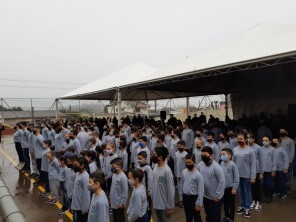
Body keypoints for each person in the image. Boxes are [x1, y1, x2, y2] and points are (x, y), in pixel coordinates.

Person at [197, 146, 225, 222]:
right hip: (205, 197)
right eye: (202, 155)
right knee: (208, 216)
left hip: (215, 199)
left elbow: (222, 182)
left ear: (211, 155)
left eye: (205, 155)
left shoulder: (217, 167)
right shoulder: (200, 165)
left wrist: (217, 196)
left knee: (215, 218)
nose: (203, 157)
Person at [233, 133, 256, 218]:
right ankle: (242, 206)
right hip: (238, 175)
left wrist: (253, 176)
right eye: (238, 139)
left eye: (241, 139)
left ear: (245, 139)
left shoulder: (250, 151)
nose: (239, 140)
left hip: (247, 176)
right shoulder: (234, 149)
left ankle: (247, 208)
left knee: (247, 191)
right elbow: (233, 164)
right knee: (240, 191)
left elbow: (253, 164)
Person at [151, 147, 175, 222]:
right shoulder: (155, 167)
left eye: (154, 154)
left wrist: (170, 207)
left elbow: (171, 190)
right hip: (156, 203)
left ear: (160, 157)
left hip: (164, 206)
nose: (152, 156)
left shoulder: (167, 171)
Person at [180, 154, 204, 222]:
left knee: (197, 217)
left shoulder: (198, 175)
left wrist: (199, 203)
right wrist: (181, 198)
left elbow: (201, 190)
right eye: (186, 163)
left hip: (194, 198)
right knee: (188, 216)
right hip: (186, 197)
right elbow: (182, 185)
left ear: (194, 162)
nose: (188, 164)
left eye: (190, 162)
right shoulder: (184, 172)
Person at [220, 148, 239, 222]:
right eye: (221, 154)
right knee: (225, 204)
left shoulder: (232, 165)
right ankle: (226, 216)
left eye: (224, 154)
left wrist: (234, 188)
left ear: (229, 156)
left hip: (230, 188)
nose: (222, 156)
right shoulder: (221, 163)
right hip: (223, 188)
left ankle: (231, 218)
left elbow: (236, 178)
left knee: (231, 204)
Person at [71, 157, 91, 222]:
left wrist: (85, 209)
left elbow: (86, 195)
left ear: (82, 166)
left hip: (81, 207)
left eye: (76, 165)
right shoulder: (77, 174)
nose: (74, 166)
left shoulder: (85, 177)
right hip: (77, 205)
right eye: (74, 164)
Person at [248, 134, 264, 211]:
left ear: (253, 139)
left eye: (249, 138)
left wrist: (261, 172)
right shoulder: (246, 147)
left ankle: (258, 202)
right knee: (251, 187)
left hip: (257, 170)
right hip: (249, 171)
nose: (248, 140)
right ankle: (253, 201)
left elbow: (261, 161)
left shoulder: (258, 148)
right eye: (247, 138)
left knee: (257, 187)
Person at [110, 157, 128, 222]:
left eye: (114, 167)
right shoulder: (114, 175)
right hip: (114, 202)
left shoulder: (123, 177)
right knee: (115, 218)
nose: (112, 168)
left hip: (119, 204)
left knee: (120, 219)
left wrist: (122, 203)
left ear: (119, 167)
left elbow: (125, 191)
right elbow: (112, 187)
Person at [137, 151, 153, 220]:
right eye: (138, 158)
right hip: (139, 189)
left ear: (145, 159)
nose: (139, 160)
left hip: (146, 191)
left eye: (140, 158)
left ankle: (149, 218)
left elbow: (150, 180)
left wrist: (149, 191)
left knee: (147, 206)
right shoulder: (137, 167)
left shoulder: (148, 168)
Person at [261, 136, 277, 203]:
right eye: (263, 140)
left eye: (266, 140)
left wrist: (273, 170)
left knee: (269, 184)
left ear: (270, 141)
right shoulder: (261, 148)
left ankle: (269, 197)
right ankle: (265, 196)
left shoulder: (272, 149)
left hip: (270, 170)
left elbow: (274, 160)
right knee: (264, 184)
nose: (264, 142)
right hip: (262, 170)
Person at [279, 128, 295, 193]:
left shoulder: (290, 141)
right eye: (280, 132)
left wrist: (290, 160)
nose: (282, 132)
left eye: (283, 131)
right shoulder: (278, 140)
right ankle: (281, 187)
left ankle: (288, 187)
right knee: (281, 175)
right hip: (280, 160)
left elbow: (292, 151)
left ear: (286, 132)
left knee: (288, 175)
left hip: (288, 161)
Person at [174, 140, 188, 207]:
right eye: (178, 146)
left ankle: (183, 201)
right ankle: (180, 200)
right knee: (179, 187)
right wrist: (175, 172)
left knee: (183, 187)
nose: (179, 147)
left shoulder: (185, 154)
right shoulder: (176, 153)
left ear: (184, 146)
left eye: (181, 146)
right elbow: (175, 164)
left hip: (183, 173)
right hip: (177, 173)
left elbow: (186, 165)